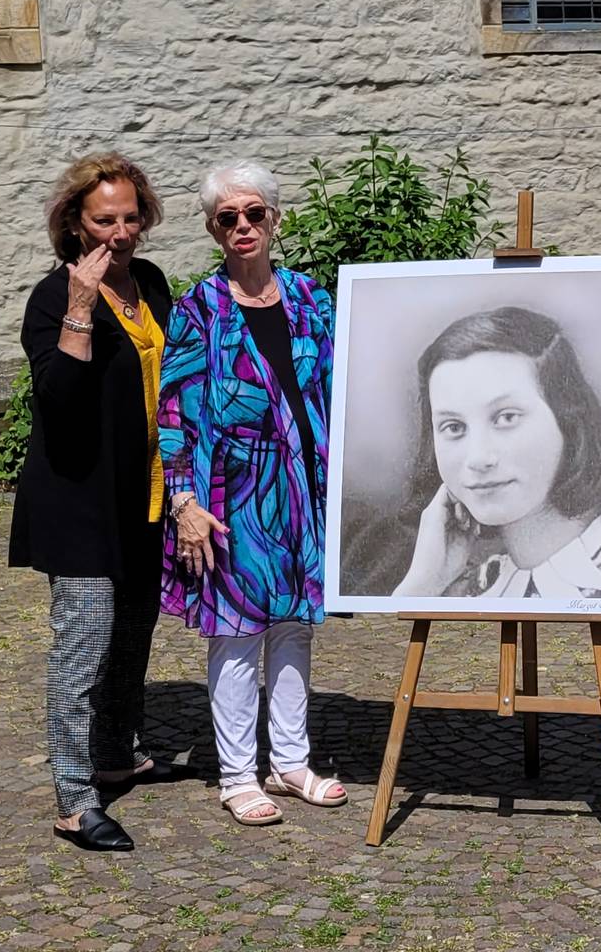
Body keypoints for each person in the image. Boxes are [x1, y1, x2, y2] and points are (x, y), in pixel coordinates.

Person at [158, 161, 345, 826]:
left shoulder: (309, 300)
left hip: (301, 487)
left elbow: (333, 390)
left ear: (274, 218)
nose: (242, 227)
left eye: (253, 214)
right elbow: (173, 412)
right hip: (228, 492)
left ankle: (290, 763)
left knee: (294, 626)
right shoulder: (197, 310)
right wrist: (183, 504)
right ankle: (238, 775)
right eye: (227, 218)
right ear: (213, 230)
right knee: (237, 632)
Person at [10, 152, 180, 853]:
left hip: (143, 497)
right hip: (79, 502)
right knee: (83, 650)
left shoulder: (151, 283)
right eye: (103, 219)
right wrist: (80, 312)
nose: (120, 231)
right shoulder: (54, 298)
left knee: (132, 637)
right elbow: (60, 403)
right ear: (75, 224)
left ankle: (117, 753)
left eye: (130, 217)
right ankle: (76, 801)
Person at [385, 306, 601, 601]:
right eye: (453, 427)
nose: (478, 458)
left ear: (568, 420)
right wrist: (423, 585)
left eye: (506, 418)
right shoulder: (477, 587)